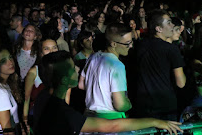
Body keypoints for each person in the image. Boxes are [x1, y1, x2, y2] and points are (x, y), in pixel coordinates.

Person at [35, 51, 183, 135]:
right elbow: (112, 126)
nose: (77, 70)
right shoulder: (62, 112)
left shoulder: (43, 99)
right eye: (73, 68)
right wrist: (156, 121)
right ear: (65, 80)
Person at [135, 9, 186, 121]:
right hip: (165, 105)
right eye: (168, 23)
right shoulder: (171, 49)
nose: (172, 25)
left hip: (142, 104)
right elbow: (181, 83)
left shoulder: (139, 45)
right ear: (158, 29)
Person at [78, 22, 133, 120]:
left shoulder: (93, 57)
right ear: (113, 44)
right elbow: (120, 105)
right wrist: (128, 104)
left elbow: (81, 85)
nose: (131, 46)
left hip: (89, 116)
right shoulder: (117, 65)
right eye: (127, 43)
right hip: (109, 119)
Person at [22, 38, 59, 133]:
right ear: (41, 53)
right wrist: (25, 121)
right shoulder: (34, 72)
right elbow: (26, 99)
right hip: (39, 118)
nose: (51, 51)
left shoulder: (62, 70)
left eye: (54, 48)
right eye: (47, 48)